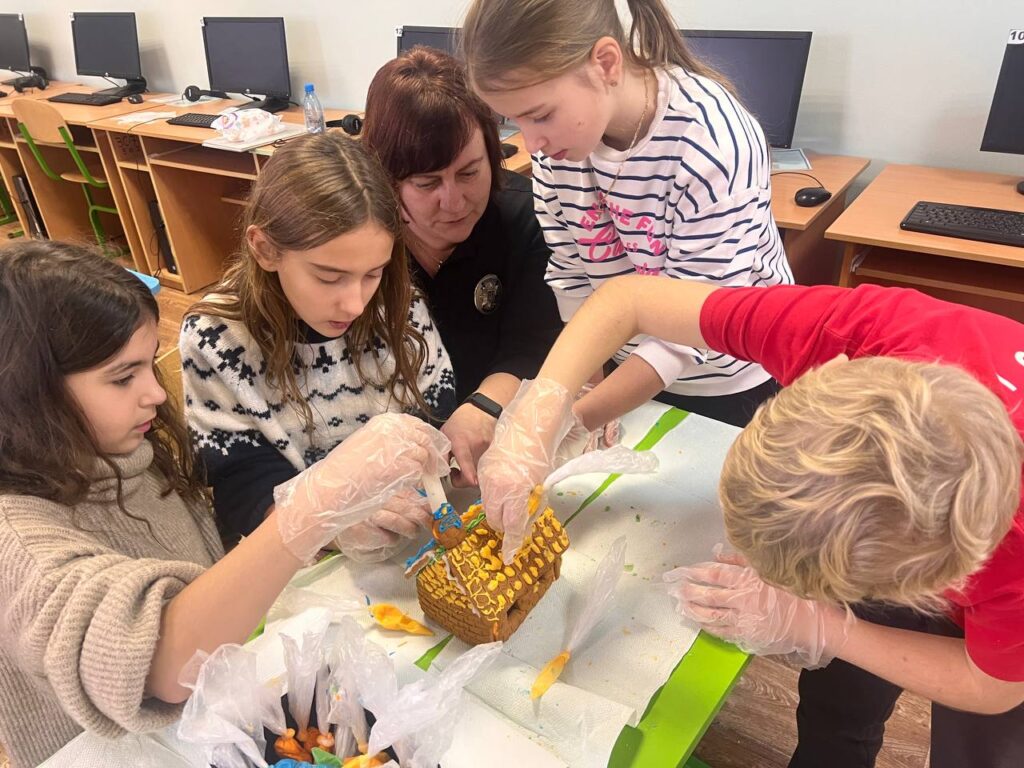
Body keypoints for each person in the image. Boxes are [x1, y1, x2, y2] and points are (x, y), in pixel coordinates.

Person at [478, 276, 1024, 766]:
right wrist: (537, 420)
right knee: (844, 696)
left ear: (927, 578)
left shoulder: (1011, 558)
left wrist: (822, 626)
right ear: (816, 378)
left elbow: (993, 685)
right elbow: (629, 300)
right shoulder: (843, 332)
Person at [0, 241, 450, 768]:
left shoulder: (124, 451)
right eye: (123, 377)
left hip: (213, 720)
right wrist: (315, 503)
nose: (157, 394)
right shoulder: (17, 540)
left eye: (149, 365)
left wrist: (331, 522)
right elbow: (164, 666)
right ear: (26, 393)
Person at [461, 0, 793, 431]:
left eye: (540, 115)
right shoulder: (557, 151)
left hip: (732, 377)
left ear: (605, 63)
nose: (532, 142)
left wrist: (570, 421)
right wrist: (585, 392)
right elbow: (571, 275)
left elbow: (694, 326)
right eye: (516, 120)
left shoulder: (711, 143)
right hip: (627, 366)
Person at [180, 133, 457, 560]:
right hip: (292, 556)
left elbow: (434, 416)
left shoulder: (398, 305)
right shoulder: (215, 337)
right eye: (329, 277)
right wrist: (330, 523)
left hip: (406, 537)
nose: (355, 303)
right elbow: (242, 488)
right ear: (265, 249)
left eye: (374, 273)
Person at [362, 46, 563, 486]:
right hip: (389, 461)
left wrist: (483, 406)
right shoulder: (362, 243)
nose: (454, 202)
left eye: (470, 173)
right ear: (386, 178)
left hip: (496, 443)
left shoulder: (526, 217)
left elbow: (534, 344)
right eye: (427, 183)